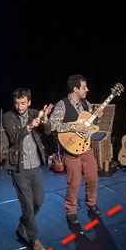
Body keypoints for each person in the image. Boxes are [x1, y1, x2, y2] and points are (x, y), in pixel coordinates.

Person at [49, 74, 103, 229]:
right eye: (84, 87)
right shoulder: (62, 105)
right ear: (75, 89)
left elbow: (91, 124)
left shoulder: (86, 103)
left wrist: (97, 117)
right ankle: (71, 211)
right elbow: (53, 125)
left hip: (86, 148)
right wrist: (73, 127)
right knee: (74, 183)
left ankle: (91, 203)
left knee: (93, 178)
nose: (87, 89)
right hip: (71, 150)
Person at [2, 87, 53, 250]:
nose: (20, 106)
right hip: (19, 168)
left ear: (29, 102)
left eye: (23, 103)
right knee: (28, 206)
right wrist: (30, 126)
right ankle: (34, 238)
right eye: (17, 103)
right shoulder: (8, 117)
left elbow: (48, 131)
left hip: (36, 165)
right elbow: (14, 138)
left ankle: (24, 222)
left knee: (38, 202)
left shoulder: (34, 113)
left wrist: (44, 118)